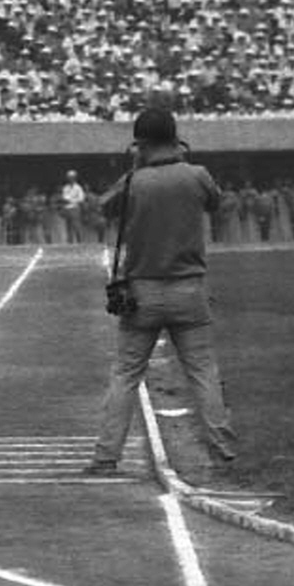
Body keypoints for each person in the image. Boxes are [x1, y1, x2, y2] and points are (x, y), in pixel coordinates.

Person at [84, 106, 238, 476]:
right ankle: (223, 452)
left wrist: (134, 168)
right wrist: (183, 162)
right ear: (175, 138)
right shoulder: (196, 175)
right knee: (202, 371)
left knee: (125, 374)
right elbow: (216, 202)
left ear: (140, 143)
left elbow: (102, 210)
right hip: (189, 288)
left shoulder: (134, 181)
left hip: (142, 292)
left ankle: (107, 455)